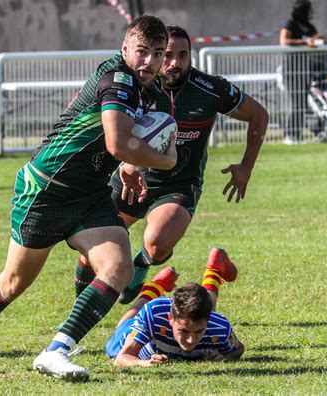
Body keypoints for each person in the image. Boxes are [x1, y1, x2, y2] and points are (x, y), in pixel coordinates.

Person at [0, 15, 178, 381]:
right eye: (142, 52)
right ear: (125, 50)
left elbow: (125, 141)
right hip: (47, 188)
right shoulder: (117, 79)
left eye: (157, 53)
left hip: (89, 192)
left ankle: (56, 350)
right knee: (14, 282)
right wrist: (164, 160)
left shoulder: (151, 92)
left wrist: (127, 166)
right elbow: (118, 141)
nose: (149, 61)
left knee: (118, 266)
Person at [73, 25, 269, 306]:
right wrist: (125, 164)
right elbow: (111, 131)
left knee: (157, 244)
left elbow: (259, 115)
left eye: (182, 55)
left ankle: (141, 264)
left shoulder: (210, 89)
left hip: (178, 184)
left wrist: (246, 166)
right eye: (166, 55)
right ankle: (80, 311)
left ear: (191, 55)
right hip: (129, 177)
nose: (174, 62)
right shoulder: (133, 87)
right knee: (92, 249)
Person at [105, 248, 245, 366]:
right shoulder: (154, 315)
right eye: (184, 331)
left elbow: (238, 350)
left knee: (203, 308)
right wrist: (145, 362)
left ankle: (213, 270)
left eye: (198, 332)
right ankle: (156, 286)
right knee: (122, 324)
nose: (191, 340)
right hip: (129, 335)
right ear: (171, 318)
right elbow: (121, 358)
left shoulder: (219, 327)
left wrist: (223, 358)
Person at [280, 0, 324, 145]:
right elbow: (284, 40)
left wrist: (316, 40)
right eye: (311, 10)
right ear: (303, 11)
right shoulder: (290, 23)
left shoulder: (309, 26)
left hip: (304, 70)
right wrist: (304, 42)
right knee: (295, 104)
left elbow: (319, 37)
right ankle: (289, 135)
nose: (313, 13)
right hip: (290, 71)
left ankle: (297, 135)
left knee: (302, 104)